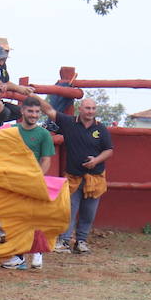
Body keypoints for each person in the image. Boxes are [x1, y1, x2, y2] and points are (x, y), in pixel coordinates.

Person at [34, 93, 114, 254]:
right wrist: (32, 96)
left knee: (88, 213)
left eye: (93, 108)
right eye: (87, 108)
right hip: (73, 177)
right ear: (80, 109)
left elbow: (109, 150)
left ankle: (81, 242)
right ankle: (64, 241)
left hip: (95, 178)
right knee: (68, 210)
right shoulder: (69, 122)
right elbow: (49, 110)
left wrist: (96, 161)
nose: (90, 111)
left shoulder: (101, 128)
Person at [0, 97, 57, 271]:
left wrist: (35, 179)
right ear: (22, 111)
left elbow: (46, 160)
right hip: (12, 182)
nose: (33, 115)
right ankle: (18, 255)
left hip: (32, 182)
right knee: (13, 219)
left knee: (32, 219)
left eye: (37, 112)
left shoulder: (44, 134)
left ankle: (36, 253)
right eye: (30, 111)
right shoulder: (11, 130)